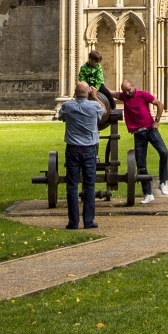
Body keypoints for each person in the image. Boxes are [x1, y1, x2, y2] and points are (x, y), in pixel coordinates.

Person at [55, 81, 105, 229]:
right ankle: (88, 221)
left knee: (72, 185)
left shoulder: (68, 106)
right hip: (89, 150)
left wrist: (73, 98)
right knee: (89, 185)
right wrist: (95, 97)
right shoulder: (94, 106)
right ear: (88, 92)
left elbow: (60, 117)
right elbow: (104, 112)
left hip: (72, 149)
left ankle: (73, 222)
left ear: (75, 92)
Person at [119, 77, 168, 202]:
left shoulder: (143, 95)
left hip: (150, 129)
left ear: (133, 86)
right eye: (124, 91)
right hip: (138, 134)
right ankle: (148, 193)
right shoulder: (124, 97)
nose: (127, 93)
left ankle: (163, 182)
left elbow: (160, 104)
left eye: (128, 90)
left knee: (164, 152)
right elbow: (111, 93)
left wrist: (157, 121)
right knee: (141, 163)